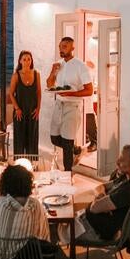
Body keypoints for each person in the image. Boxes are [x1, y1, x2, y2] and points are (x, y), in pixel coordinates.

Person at [77, 144, 130, 242]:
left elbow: (94, 207)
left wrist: (99, 201)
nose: (117, 162)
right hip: (89, 221)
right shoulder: (127, 177)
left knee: (55, 229)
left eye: (122, 160)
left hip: (95, 231)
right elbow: (101, 186)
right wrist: (101, 196)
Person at [46, 36, 93, 171]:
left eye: (65, 47)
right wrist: (52, 71)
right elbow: (49, 85)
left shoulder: (80, 66)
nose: (61, 49)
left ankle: (67, 175)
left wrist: (70, 94)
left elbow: (89, 90)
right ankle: (77, 149)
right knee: (54, 138)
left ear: (72, 48)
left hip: (72, 107)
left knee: (67, 143)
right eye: (60, 47)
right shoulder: (58, 64)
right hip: (58, 105)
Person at [9, 50, 41, 156]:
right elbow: (11, 93)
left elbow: (39, 93)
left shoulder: (36, 74)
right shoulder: (16, 76)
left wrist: (38, 109)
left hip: (33, 112)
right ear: (20, 61)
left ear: (31, 61)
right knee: (20, 138)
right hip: (20, 112)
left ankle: (33, 165)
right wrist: (17, 108)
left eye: (29, 59)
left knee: (32, 138)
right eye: (24, 59)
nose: (27, 61)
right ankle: (19, 165)